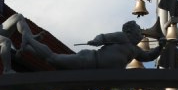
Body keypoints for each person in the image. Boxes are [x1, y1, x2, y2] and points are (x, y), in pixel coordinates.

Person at [22, 21, 164, 70]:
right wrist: (96, 41)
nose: (141, 34)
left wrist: (160, 47)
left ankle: (28, 48)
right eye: (138, 31)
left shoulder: (135, 50)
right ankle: (29, 39)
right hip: (89, 60)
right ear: (129, 32)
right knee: (54, 59)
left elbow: (148, 56)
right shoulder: (122, 37)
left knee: (55, 63)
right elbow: (102, 37)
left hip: (94, 66)